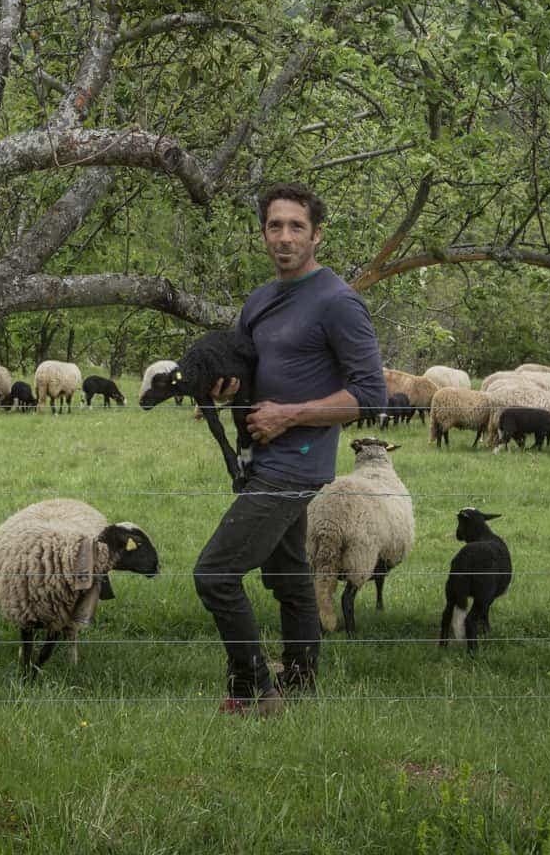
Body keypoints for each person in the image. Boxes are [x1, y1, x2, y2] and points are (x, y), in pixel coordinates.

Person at [191, 181, 387, 714]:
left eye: (296, 227)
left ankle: (255, 688)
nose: (284, 236)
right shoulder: (260, 299)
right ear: (264, 235)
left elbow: (371, 394)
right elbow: (247, 369)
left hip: (296, 466)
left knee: (215, 573)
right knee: (289, 578)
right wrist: (224, 391)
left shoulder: (338, 302)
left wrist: (289, 415)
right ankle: (300, 686)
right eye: (275, 226)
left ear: (316, 235)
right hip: (261, 458)